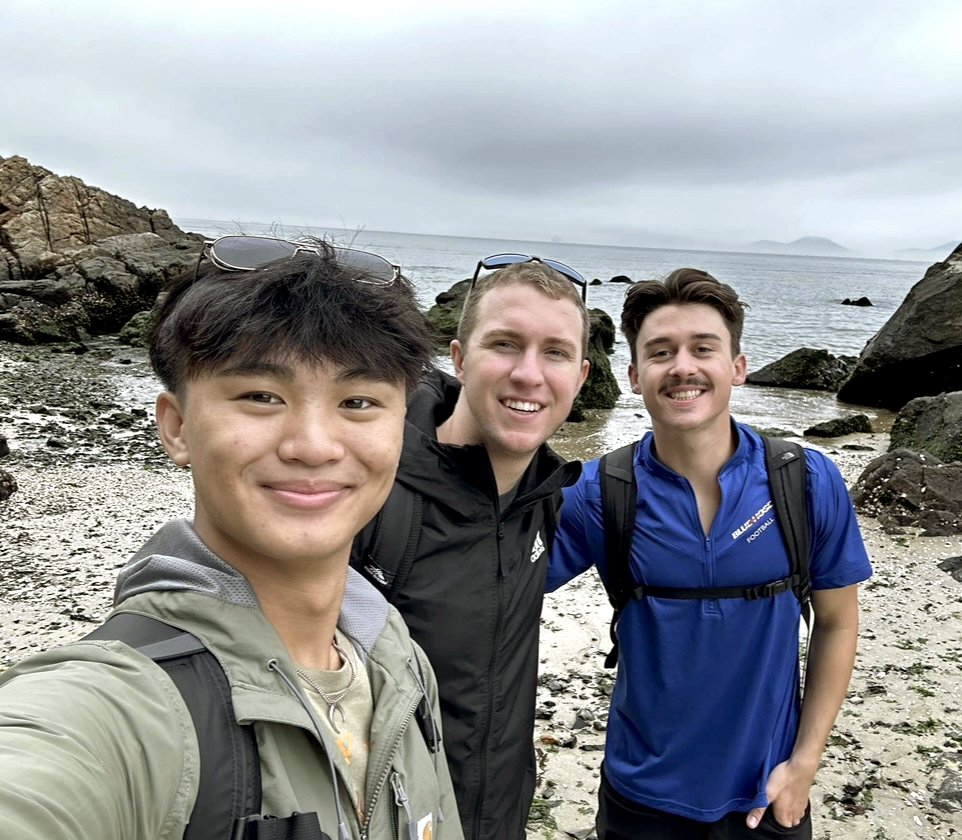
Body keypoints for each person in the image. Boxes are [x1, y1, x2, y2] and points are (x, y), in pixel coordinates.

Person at [0, 236, 462, 840]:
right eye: (261, 396)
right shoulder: (124, 709)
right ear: (178, 427)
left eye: (357, 401)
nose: (314, 445)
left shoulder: (397, 659)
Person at [548, 268, 872, 839]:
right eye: (660, 351)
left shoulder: (804, 481)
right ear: (632, 376)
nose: (682, 367)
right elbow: (489, 578)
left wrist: (805, 763)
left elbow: (839, 625)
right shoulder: (600, 493)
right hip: (640, 796)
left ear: (738, 367)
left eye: (704, 348)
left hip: (767, 794)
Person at [352, 254, 591, 840]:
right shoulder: (365, 489)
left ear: (581, 377)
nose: (529, 374)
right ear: (459, 359)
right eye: (505, 344)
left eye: (555, 352)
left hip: (499, 809)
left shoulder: (545, 497)